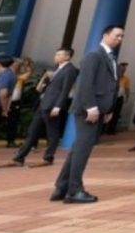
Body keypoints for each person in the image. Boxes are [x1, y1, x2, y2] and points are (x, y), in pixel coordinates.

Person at [51, 25, 123, 203]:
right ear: (105, 35)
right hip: (88, 110)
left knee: (78, 149)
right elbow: (85, 84)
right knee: (83, 150)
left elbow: (110, 86)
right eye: (116, 35)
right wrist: (91, 107)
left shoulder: (110, 57)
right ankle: (74, 190)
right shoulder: (94, 56)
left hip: (99, 110)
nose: (119, 39)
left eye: (122, 36)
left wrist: (109, 109)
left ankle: (62, 186)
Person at [8, 48, 78, 167]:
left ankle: (48, 157)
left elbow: (65, 90)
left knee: (52, 133)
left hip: (52, 105)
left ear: (67, 57)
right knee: (32, 131)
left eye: (59, 54)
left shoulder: (70, 70)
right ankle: (19, 158)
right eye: (56, 54)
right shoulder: (58, 68)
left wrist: (58, 106)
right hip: (43, 103)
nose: (55, 56)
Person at [6, 57, 32, 147]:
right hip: (7, 101)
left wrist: (27, 65)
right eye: (16, 63)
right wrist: (26, 66)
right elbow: (28, 74)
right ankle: (10, 141)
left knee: (13, 122)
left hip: (15, 102)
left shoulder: (18, 75)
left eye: (18, 64)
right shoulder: (9, 74)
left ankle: (10, 141)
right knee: (9, 122)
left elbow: (28, 74)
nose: (17, 65)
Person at [104, 62, 129, 134]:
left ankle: (111, 130)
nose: (123, 71)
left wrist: (127, 97)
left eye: (124, 70)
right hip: (110, 98)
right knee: (107, 112)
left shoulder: (126, 79)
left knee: (116, 114)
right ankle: (103, 129)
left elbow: (127, 89)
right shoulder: (112, 77)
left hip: (119, 98)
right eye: (121, 69)